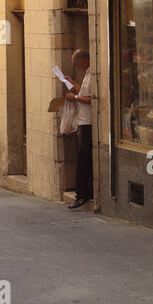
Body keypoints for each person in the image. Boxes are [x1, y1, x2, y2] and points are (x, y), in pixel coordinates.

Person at [66, 50, 94, 208]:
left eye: (77, 63)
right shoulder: (88, 74)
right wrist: (72, 83)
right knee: (84, 159)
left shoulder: (92, 74)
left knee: (83, 160)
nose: (77, 66)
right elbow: (84, 92)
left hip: (89, 122)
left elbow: (91, 99)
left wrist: (74, 98)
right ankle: (86, 193)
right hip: (83, 121)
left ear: (84, 60)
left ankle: (82, 195)